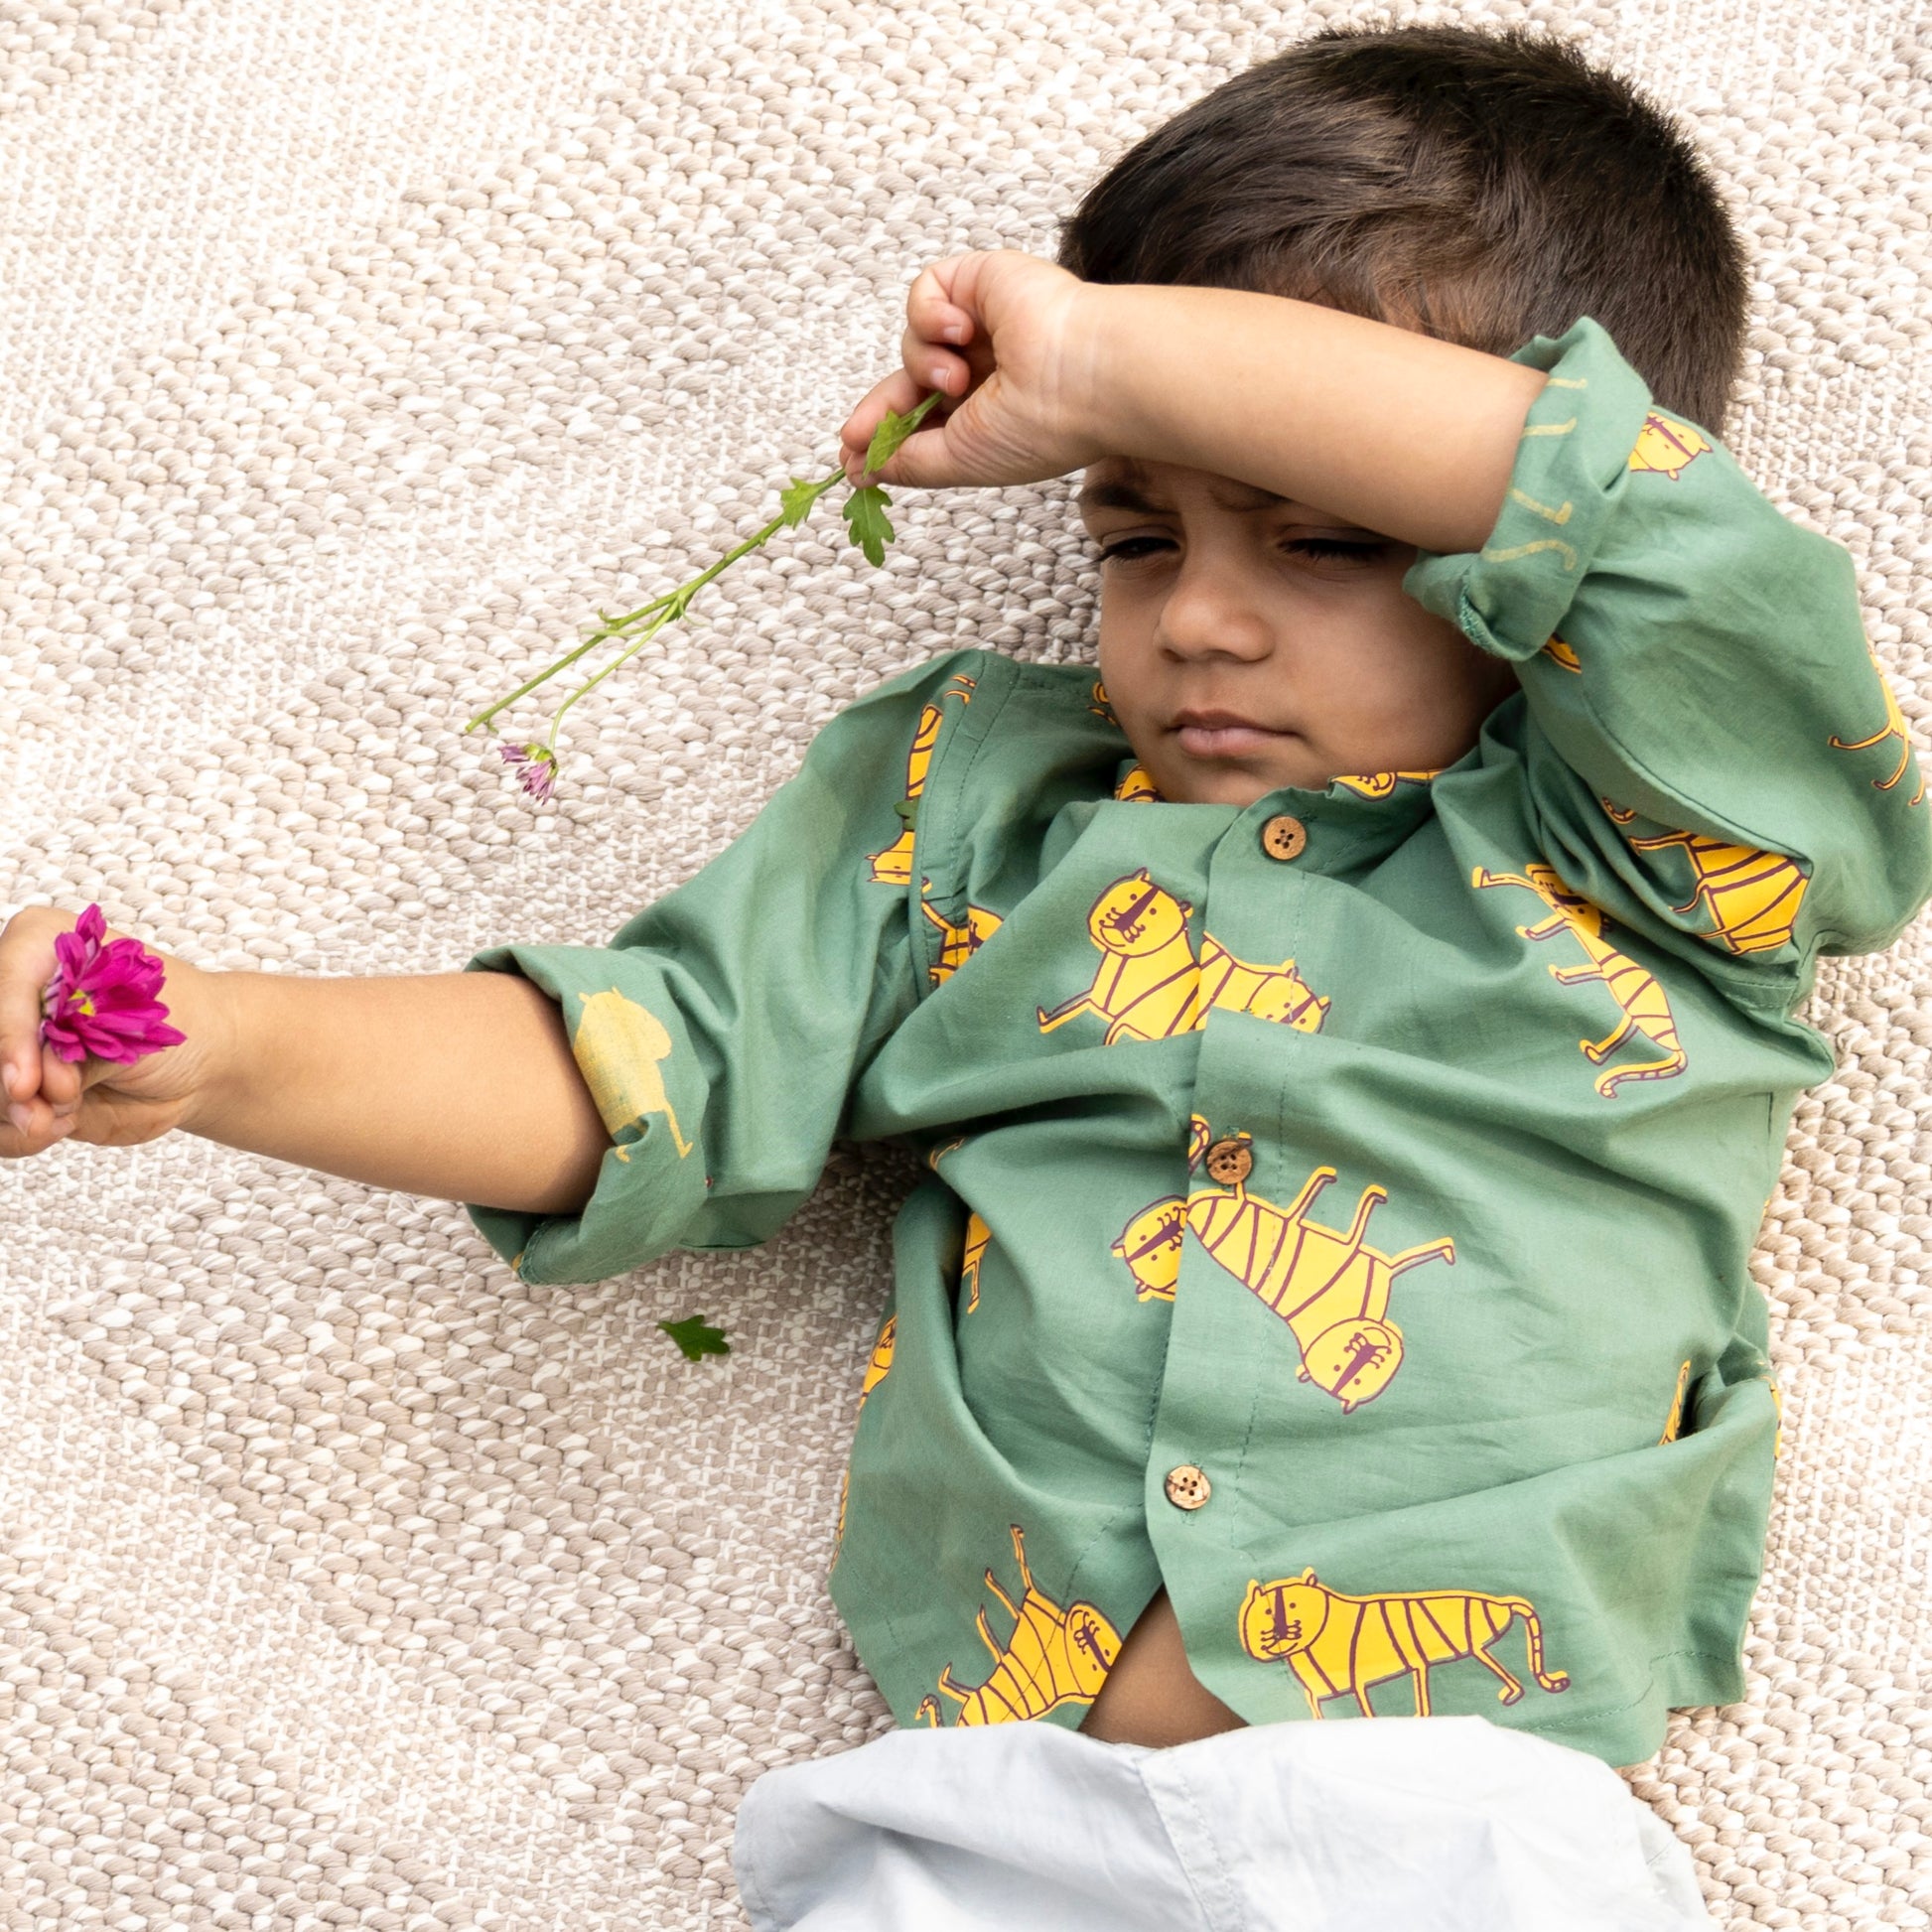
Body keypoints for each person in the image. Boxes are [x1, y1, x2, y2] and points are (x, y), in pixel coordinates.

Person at [4, 23, 1927, 1930]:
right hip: (984, 1812)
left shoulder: (1666, 845)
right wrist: (226, 1046)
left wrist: (1104, 355)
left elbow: (1653, 528)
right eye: (1130, 528)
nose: (1197, 617)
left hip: (1453, 1807)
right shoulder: (975, 801)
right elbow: (649, 1062)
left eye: (1330, 537)